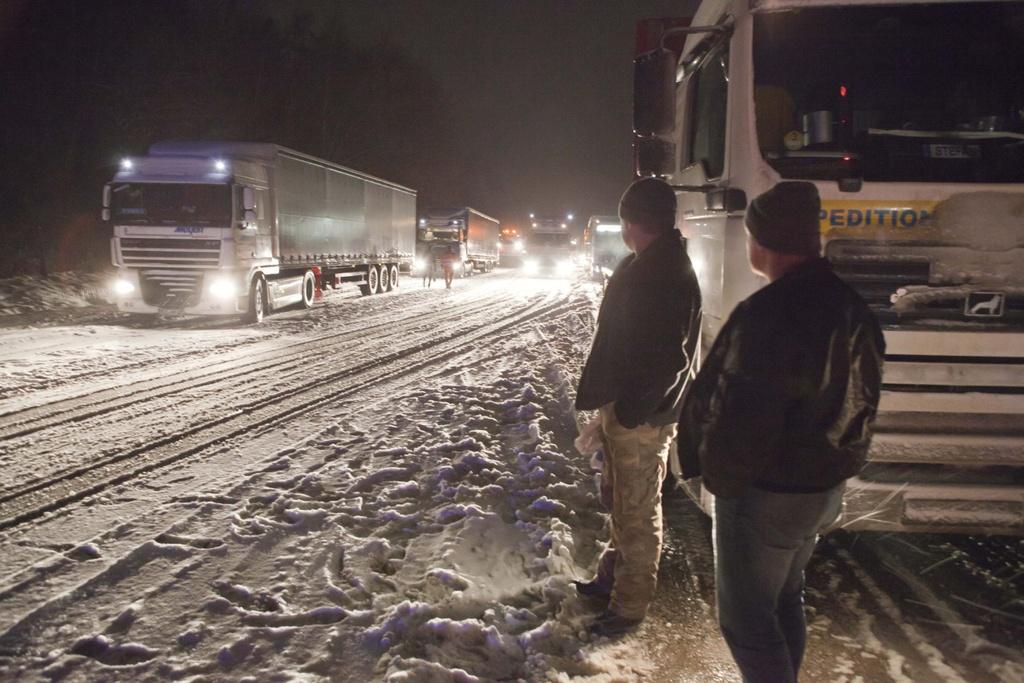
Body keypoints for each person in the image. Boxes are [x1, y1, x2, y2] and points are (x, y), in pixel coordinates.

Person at [677, 181, 885, 683]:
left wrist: (719, 480)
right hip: (821, 485)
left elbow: (743, 410)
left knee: (746, 622)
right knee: (783, 599)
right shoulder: (851, 306)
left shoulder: (769, 313)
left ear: (761, 241)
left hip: (767, 491)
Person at [574, 177, 702, 638]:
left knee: (638, 512)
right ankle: (612, 581)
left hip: (641, 420)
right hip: (629, 412)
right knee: (623, 504)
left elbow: (671, 358)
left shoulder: (663, 272)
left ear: (631, 222)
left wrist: (630, 411)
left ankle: (628, 608)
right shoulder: (651, 262)